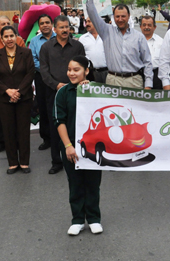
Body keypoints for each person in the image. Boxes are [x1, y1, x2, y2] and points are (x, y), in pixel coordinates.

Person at [53, 55, 103, 236]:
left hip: (92, 147)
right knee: (75, 182)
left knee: (92, 183)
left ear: (86, 71)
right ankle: (77, 219)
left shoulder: (95, 90)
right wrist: (68, 145)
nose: (71, 73)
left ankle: (94, 218)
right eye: (69, 70)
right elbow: (59, 121)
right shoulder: (63, 92)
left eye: (76, 70)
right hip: (71, 147)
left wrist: (90, 90)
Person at [86, 0, 153, 89]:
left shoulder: (138, 37)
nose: (120, 19)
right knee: (113, 107)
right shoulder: (106, 31)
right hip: (113, 80)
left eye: (123, 16)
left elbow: (147, 62)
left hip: (134, 81)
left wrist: (148, 85)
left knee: (134, 107)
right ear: (114, 17)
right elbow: (92, 13)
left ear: (129, 17)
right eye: (117, 16)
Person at [40, 15, 85, 174]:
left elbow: (83, 66)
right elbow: (43, 71)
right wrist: (57, 85)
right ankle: (56, 161)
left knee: (75, 124)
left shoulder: (78, 46)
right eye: (61, 27)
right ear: (55, 29)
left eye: (67, 27)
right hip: (54, 92)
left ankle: (78, 155)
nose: (65, 30)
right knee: (56, 126)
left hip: (76, 91)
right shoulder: (46, 47)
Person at [0, 26, 35, 174]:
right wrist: (7, 91)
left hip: (24, 98)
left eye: (12, 36)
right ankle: (13, 162)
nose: (9, 39)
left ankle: (24, 162)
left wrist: (19, 92)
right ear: (2, 39)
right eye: (6, 37)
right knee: (8, 130)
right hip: (4, 98)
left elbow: (30, 73)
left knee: (23, 130)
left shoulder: (26, 53)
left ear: (17, 37)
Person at [0, 15, 26, 154]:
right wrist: (5, 88)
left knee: (19, 115)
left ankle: (19, 142)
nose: (6, 25)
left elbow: (25, 62)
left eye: (8, 23)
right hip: (0, 86)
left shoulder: (19, 40)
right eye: (3, 24)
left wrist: (16, 88)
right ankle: (3, 141)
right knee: (2, 115)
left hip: (18, 85)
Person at [29, 14, 56, 151]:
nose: (45, 25)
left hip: (59, 78)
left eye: (47, 22)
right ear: (39, 26)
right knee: (44, 107)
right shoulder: (34, 41)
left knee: (58, 106)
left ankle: (60, 136)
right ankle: (47, 138)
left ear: (52, 24)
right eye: (42, 23)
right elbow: (32, 59)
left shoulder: (59, 37)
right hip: (41, 78)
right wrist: (46, 70)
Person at [79, 17, 108, 83]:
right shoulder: (83, 38)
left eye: (90, 21)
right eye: (86, 22)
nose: (87, 24)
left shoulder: (106, 36)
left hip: (106, 72)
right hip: (90, 73)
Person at [140, 15, 164, 89]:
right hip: (139, 75)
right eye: (144, 25)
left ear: (154, 27)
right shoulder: (134, 41)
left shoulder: (161, 42)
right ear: (140, 26)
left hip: (157, 76)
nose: (146, 27)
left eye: (149, 25)